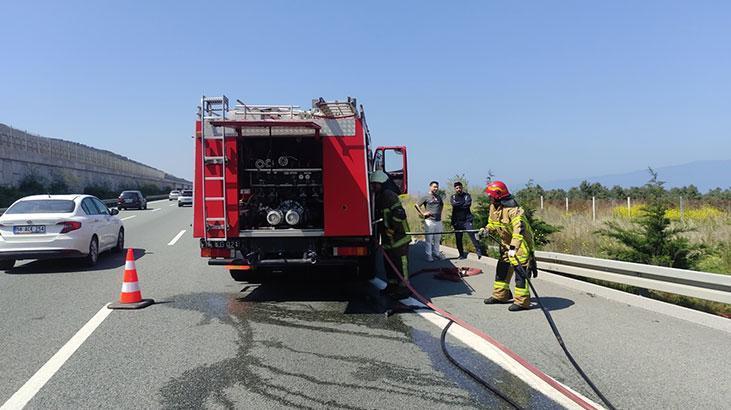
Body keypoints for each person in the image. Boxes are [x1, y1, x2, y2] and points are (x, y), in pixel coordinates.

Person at [479, 181, 536, 311]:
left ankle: (522, 302)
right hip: (505, 244)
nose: (489, 198)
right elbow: (493, 223)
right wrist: (486, 230)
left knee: (520, 273)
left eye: (491, 195)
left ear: (498, 195)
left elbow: (519, 229)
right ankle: (500, 296)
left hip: (520, 246)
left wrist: (513, 248)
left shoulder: (514, 210)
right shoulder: (494, 207)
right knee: (502, 269)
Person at [370, 170, 411, 299]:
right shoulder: (378, 196)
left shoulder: (389, 195)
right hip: (388, 238)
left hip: (399, 237)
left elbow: (399, 215)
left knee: (400, 262)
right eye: (373, 184)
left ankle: (404, 287)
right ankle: (392, 286)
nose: (373, 186)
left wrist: (393, 229)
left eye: (376, 184)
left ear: (382, 182)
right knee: (389, 264)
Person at [450, 181, 484, 259]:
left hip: (467, 220)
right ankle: (461, 254)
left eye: (460, 188)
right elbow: (454, 205)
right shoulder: (453, 197)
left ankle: (478, 251)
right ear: (455, 189)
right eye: (457, 188)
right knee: (458, 239)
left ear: (462, 187)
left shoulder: (467, 195)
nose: (458, 189)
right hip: (457, 222)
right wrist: (462, 203)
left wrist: (459, 204)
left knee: (472, 235)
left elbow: (467, 205)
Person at [417, 181, 444, 262]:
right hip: (429, 221)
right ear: (430, 187)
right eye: (434, 187)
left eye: (437, 187)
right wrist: (423, 213)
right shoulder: (426, 196)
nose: (436, 188)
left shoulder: (439, 197)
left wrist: (439, 213)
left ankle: (436, 253)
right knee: (429, 239)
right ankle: (429, 255)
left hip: (438, 221)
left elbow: (442, 205)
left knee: (437, 238)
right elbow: (416, 205)